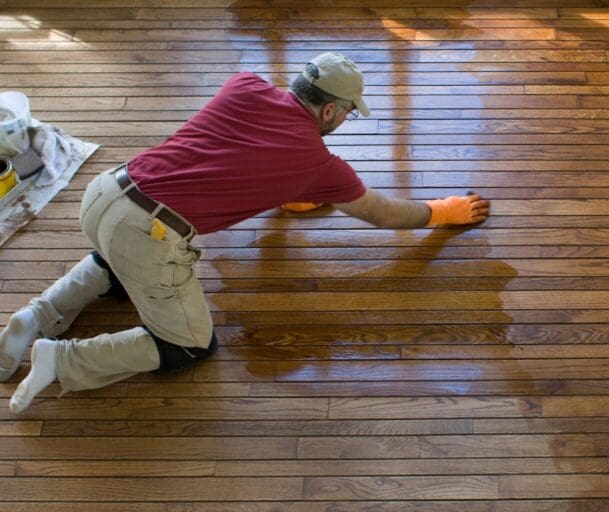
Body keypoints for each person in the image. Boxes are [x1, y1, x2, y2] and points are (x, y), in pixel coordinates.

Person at [0, 52, 490, 413]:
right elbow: (383, 214)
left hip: (105, 193)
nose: (345, 120)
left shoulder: (244, 85)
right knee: (188, 345)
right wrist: (441, 211)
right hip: (147, 232)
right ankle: (60, 359)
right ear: (328, 111)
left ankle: (32, 317)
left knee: (115, 263)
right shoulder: (318, 162)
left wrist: (291, 190)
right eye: (347, 112)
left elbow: (237, 152)